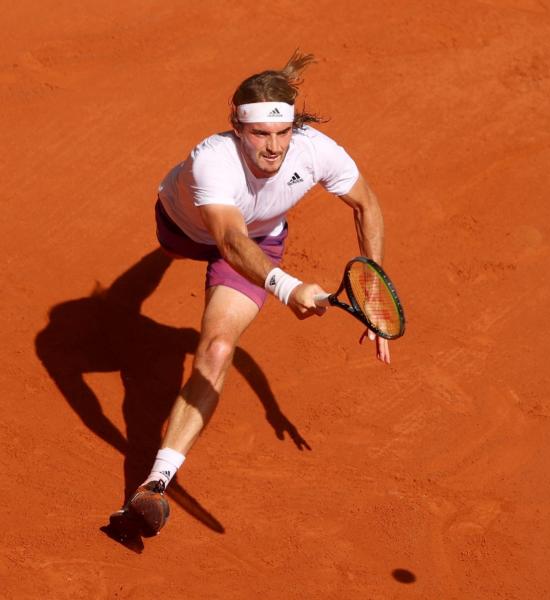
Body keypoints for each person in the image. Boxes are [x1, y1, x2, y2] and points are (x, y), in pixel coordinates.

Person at [110, 50, 391, 538]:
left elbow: (365, 203)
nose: (273, 147)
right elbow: (229, 241)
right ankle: (151, 270)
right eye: (261, 134)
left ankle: (154, 485)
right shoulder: (210, 162)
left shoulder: (316, 150)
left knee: (218, 348)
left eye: (282, 133)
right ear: (237, 127)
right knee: (167, 256)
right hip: (186, 229)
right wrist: (286, 286)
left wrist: (373, 287)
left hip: (259, 240)